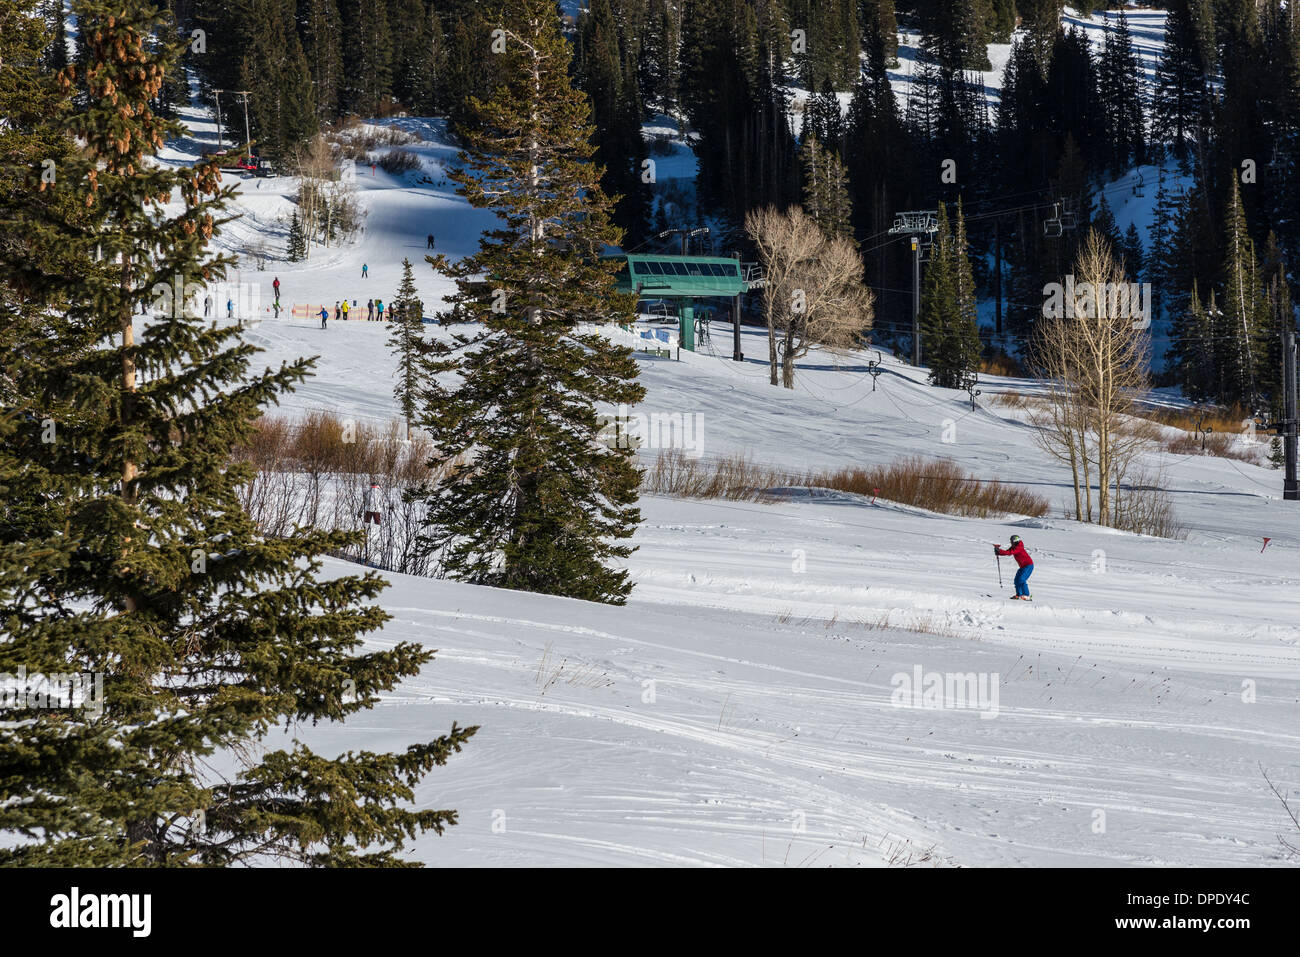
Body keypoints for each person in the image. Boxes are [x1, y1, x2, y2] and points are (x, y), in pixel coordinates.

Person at [994, 535, 1034, 601]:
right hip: (1022, 567)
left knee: (1021, 579)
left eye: (1011, 541)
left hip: (1028, 566)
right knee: (1017, 580)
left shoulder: (1019, 547)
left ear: (1015, 541)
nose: (1011, 542)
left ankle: (1027, 596)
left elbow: (1010, 552)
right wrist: (998, 552)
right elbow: (1008, 552)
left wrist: (999, 551)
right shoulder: (1014, 547)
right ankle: (1019, 595)